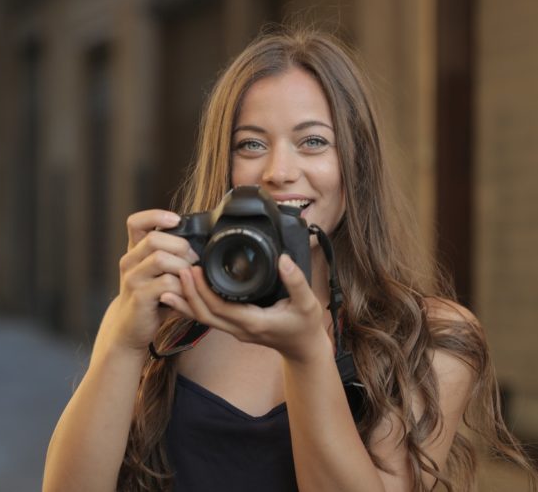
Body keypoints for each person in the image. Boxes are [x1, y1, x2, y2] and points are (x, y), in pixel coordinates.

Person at [42, 25, 537, 491]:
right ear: (226, 165)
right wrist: (122, 340)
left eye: (313, 142)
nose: (279, 171)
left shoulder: (428, 339)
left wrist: (306, 355)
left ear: (356, 165)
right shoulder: (178, 317)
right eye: (251, 144)